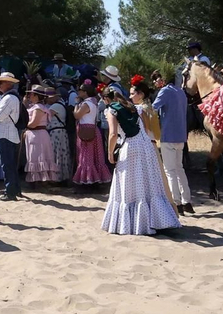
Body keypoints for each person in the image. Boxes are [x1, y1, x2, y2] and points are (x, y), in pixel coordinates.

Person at [101, 83, 181, 236]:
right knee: (149, 182)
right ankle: (159, 220)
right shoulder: (134, 107)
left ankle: (136, 223)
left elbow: (112, 134)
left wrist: (110, 153)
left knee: (129, 184)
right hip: (146, 147)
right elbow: (145, 130)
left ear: (106, 99)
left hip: (130, 148)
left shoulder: (111, 110)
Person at [152, 71, 194, 214]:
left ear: (162, 80)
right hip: (181, 135)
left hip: (168, 135)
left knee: (170, 171)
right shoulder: (181, 92)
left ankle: (176, 203)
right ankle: (187, 201)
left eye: (156, 80)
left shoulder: (164, 91)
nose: (155, 83)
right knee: (179, 168)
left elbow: (153, 108)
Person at [0, 72, 22, 200]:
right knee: (10, 164)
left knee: (6, 165)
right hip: (8, 134)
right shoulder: (12, 97)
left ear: (8, 83)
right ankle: (15, 189)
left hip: (4, 135)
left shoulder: (8, 98)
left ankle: (10, 192)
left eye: (0, 82)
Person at [72, 81, 111, 185]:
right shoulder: (94, 102)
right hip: (93, 130)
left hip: (85, 131)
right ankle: (96, 179)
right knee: (95, 156)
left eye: (80, 90)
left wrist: (76, 104)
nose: (78, 92)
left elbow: (77, 115)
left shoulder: (86, 104)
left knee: (86, 156)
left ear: (85, 92)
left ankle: (87, 179)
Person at [23, 86, 58, 182]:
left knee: (37, 156)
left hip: (37, 134)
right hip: (36, 134)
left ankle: (39, 180)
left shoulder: (38, 108)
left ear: (36, 96)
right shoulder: (36, 107)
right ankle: (38, 180)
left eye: (31, 94)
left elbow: (34, 123)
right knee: (36, 156)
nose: (29, 96)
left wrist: (24, 125)